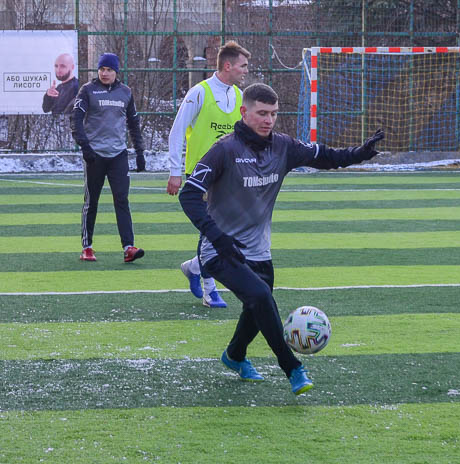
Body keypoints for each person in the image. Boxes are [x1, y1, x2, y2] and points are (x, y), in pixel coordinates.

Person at [179, 83, 384, 395]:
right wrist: (217, 237)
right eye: (262, 113)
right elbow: (189, 195)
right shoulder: (224, 150)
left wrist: (360, 153)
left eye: (274, 114)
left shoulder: (283, 146)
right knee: (261, 297)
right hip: (221, 250)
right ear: (243, 112)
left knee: (255, 307)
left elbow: (324, 156)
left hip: (259, 250)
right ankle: (293, 368)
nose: (269, 120)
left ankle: (234, 356)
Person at [167, 40, 251, 308]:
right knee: (211, 230)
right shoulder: (199, 93)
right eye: (243, 65)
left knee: (228, 231)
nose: (246, 70)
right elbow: (177, 131)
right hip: (200, 176)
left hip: (231, 178)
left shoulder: (239, 96)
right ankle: (210, 289)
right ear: (228, 65)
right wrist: (175, 171)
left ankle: (193, 267)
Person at [70, 52, 147, 263]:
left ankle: (128, 247)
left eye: (109, 70)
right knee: (91, 201)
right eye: (102, 69)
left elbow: (133, 124)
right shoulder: (87, 90)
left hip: (118, 155)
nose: (105, 73)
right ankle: (87, 247)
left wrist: (140, 152)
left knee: (122, 200)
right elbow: (75, 119)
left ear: (116, 72)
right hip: (94, 155)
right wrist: (85, 146)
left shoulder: (125, 92)